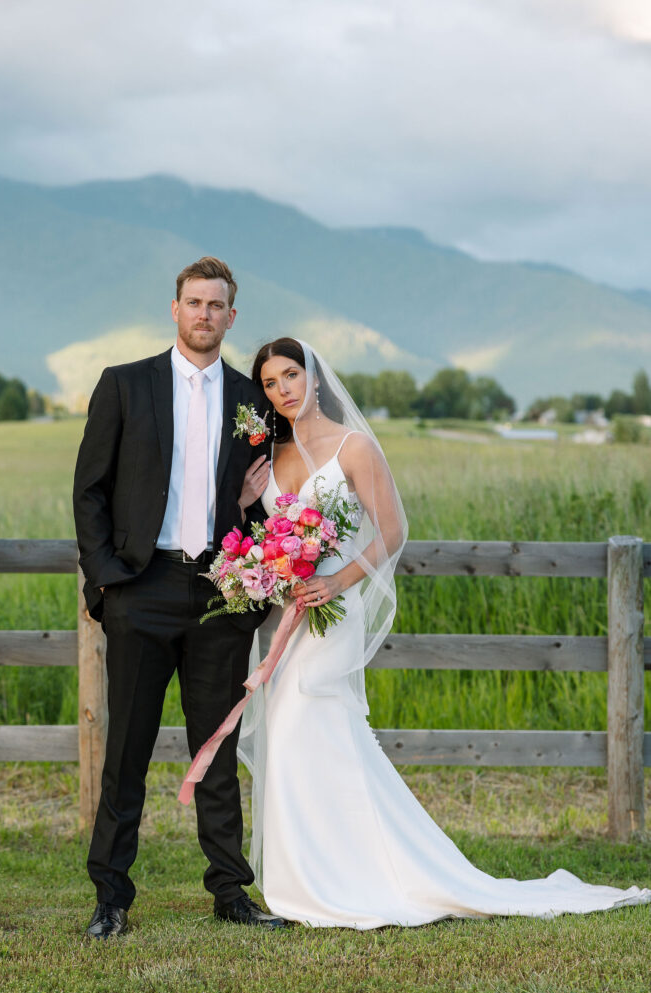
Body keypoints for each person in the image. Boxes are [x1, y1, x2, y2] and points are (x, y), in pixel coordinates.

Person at [238, 336, 651, 928]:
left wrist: (337, 584)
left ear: (316, 378)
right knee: (290, 735)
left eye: (290, 376)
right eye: (271, 384)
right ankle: (311, 874)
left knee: (311, 721)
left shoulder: (352, 448)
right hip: (289, 614)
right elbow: (266, 535)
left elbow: (392, 530)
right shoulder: (271, 458)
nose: (282, 391)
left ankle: (352, 877)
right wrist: (251, 510)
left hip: (334, 612)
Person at [73, 257, 286, 938]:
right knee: (126, 751)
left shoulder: (253, 402)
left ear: (231, 316)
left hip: (222, 592)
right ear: (174, 310)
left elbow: (266, 499)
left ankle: (230, 894)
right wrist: (110, 581)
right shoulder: (124, 386)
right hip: (143, 588)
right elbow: (90, 491)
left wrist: (254, 536)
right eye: (192, 302)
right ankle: (111, 898)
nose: (203, 314)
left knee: (216, 752)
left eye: (215, 305)